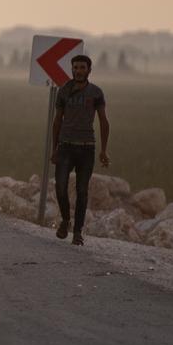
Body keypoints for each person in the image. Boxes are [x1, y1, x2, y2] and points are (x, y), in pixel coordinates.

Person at [51, 54, 111, 245]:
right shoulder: (64, 91)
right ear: (72, 69)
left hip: (87, 148)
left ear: (89, 70)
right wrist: (54, 148)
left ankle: (77, 231)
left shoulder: (96, 93)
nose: (78, 71)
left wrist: (104, 150)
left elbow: (103, 120)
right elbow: (57, 121)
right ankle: (66, 220)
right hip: (66, 146)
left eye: (82, 68)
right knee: (60, 187)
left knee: (82, 191)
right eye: (75, 67)